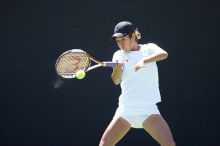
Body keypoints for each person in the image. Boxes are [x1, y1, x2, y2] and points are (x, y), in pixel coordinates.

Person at [99, 21, 176, 146]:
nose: (121, 44)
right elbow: (116, 80)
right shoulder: (118, 55)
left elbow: (164, 54)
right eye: (118, 41)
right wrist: (117, 68)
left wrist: (144, 60)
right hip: (126, 110)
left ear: (133, 36)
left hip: (148, 110)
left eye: (123, 39)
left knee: (169, 144)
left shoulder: (149, 48)